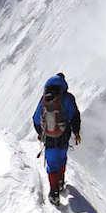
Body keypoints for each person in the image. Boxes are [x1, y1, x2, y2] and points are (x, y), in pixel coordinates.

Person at [32, 72, 81, 204]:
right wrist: (76, 132)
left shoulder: (44, 99)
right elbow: (75, 116)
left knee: (52, 164)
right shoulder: (68, 98)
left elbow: (36, 118)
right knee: (62, 159)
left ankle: (54, 192)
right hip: (64, 137)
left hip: (49, 139)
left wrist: (41, 133)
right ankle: (60, 182)